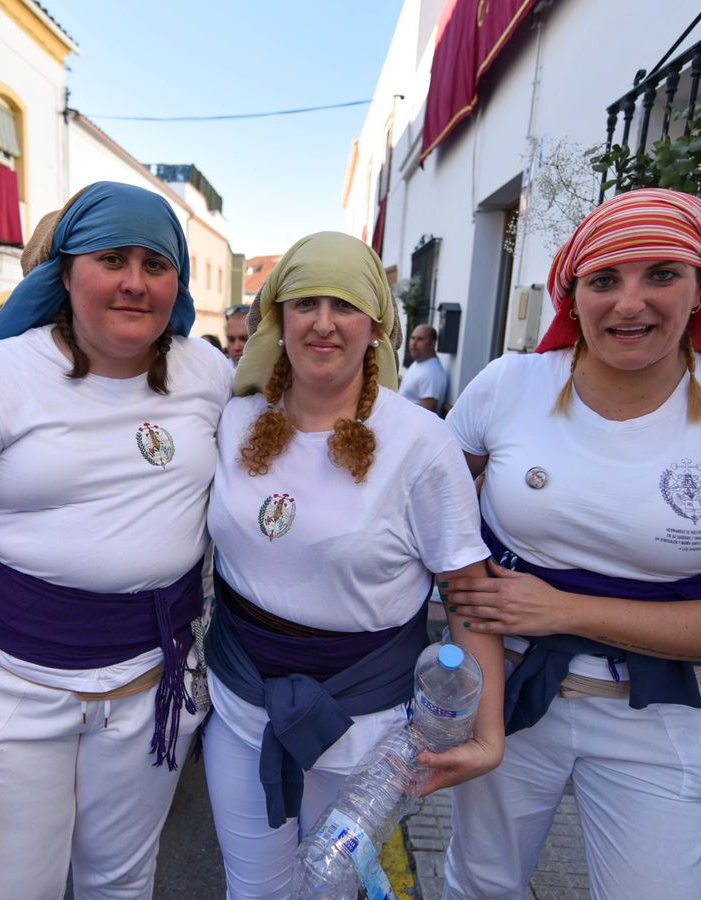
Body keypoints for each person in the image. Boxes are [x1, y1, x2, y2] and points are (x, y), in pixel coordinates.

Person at [440, 188, 701, 899]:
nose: (629, 303)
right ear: (573, 294)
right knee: (480, 885)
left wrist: (565, 611)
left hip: (667, 711)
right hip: (511, 689)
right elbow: (434, 520)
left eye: (662, 274)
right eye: (605, 280)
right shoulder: (509, 385)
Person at [0, 182, 234, 898]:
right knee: (10, 888)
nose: (135, 283)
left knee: (123, 882)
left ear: (179, 280)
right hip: (14, 688)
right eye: (112, 259)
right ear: (66, 271)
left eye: (156, 263)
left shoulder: (209, 374)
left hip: (151, 694)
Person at [201, 232, 505, 897]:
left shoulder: (420, 442)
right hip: (241, 702)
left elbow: (467, 593)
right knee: (251, 889)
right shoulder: (234, 419)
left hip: (365, 728)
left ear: (376, 325)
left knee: (334, 891)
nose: (323, 322)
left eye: (344, 303)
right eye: (304, 302)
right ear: (278, 319)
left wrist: (488, 735)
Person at [400, 323, 449, 413]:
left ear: (432, 343)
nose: (414, 343)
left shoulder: (432, 373)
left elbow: (426, 413)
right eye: (412, 338)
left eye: (420, 339)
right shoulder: (420, 362)